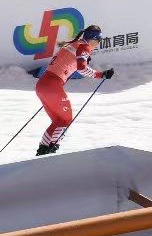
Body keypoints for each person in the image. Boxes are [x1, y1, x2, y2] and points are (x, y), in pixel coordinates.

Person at [34, 24, 113, 156]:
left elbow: (70, 64)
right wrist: (101, 74)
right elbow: (82, 69)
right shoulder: (84, 46)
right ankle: (49, 150)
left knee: (58, 121)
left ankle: (43, 151)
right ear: (93, 39)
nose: (97, 45)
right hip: (52, 86)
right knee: (65, 120)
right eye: (98, 41)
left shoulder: (74, 44)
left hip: (42, 86)